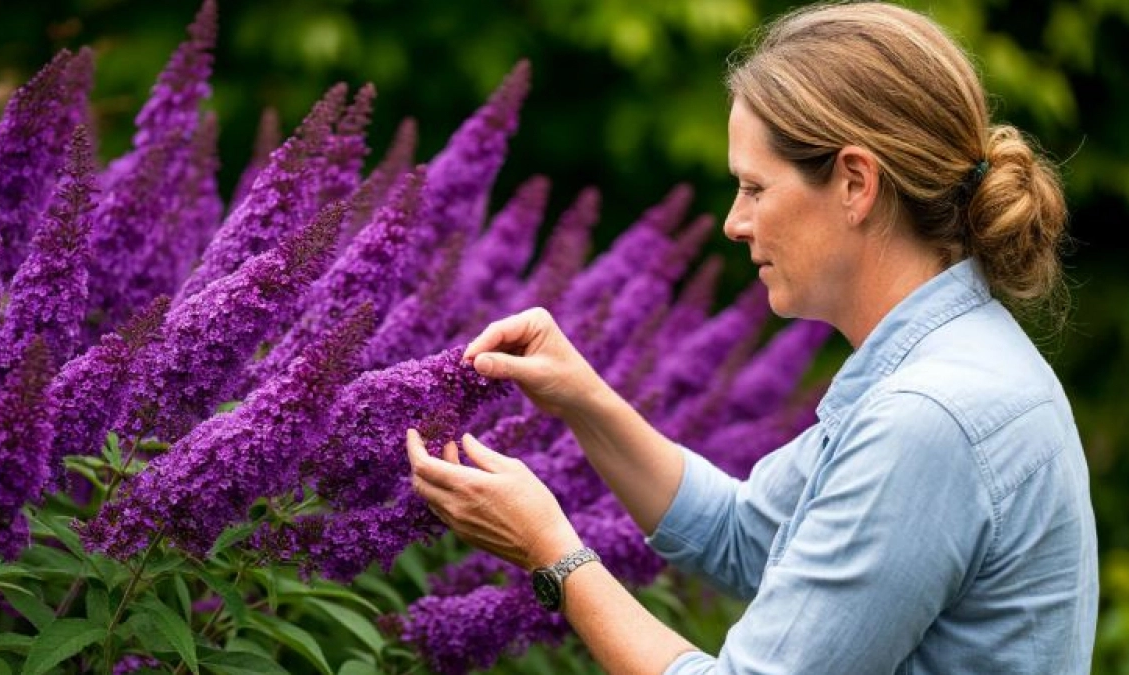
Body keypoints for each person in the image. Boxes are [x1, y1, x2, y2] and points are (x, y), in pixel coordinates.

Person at [405, 2, 1099, 673]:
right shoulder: (954, 356)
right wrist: (586, 399)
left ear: (856, 182)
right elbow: (744, 536)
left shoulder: (928, 419)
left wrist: (552, 551)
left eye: (756, 188)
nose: (736, 222)